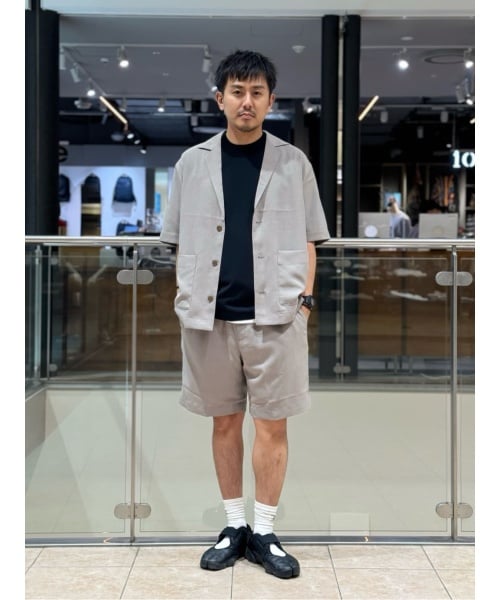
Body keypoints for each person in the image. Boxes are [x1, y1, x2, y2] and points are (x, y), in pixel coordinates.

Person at [160, 49, 330, 579]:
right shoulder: (192, 163)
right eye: (238, 92)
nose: (247, 101)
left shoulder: (293, 162)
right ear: (221, 99)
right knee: (224, 423)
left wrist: (304, 303)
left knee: (272, 425)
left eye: (257, 92)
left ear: (271, 99)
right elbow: (175, 240)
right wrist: (186, 295)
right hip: (209, 318)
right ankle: (234, 526)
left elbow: (310, 239)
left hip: (275, 317)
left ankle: (265, 530)